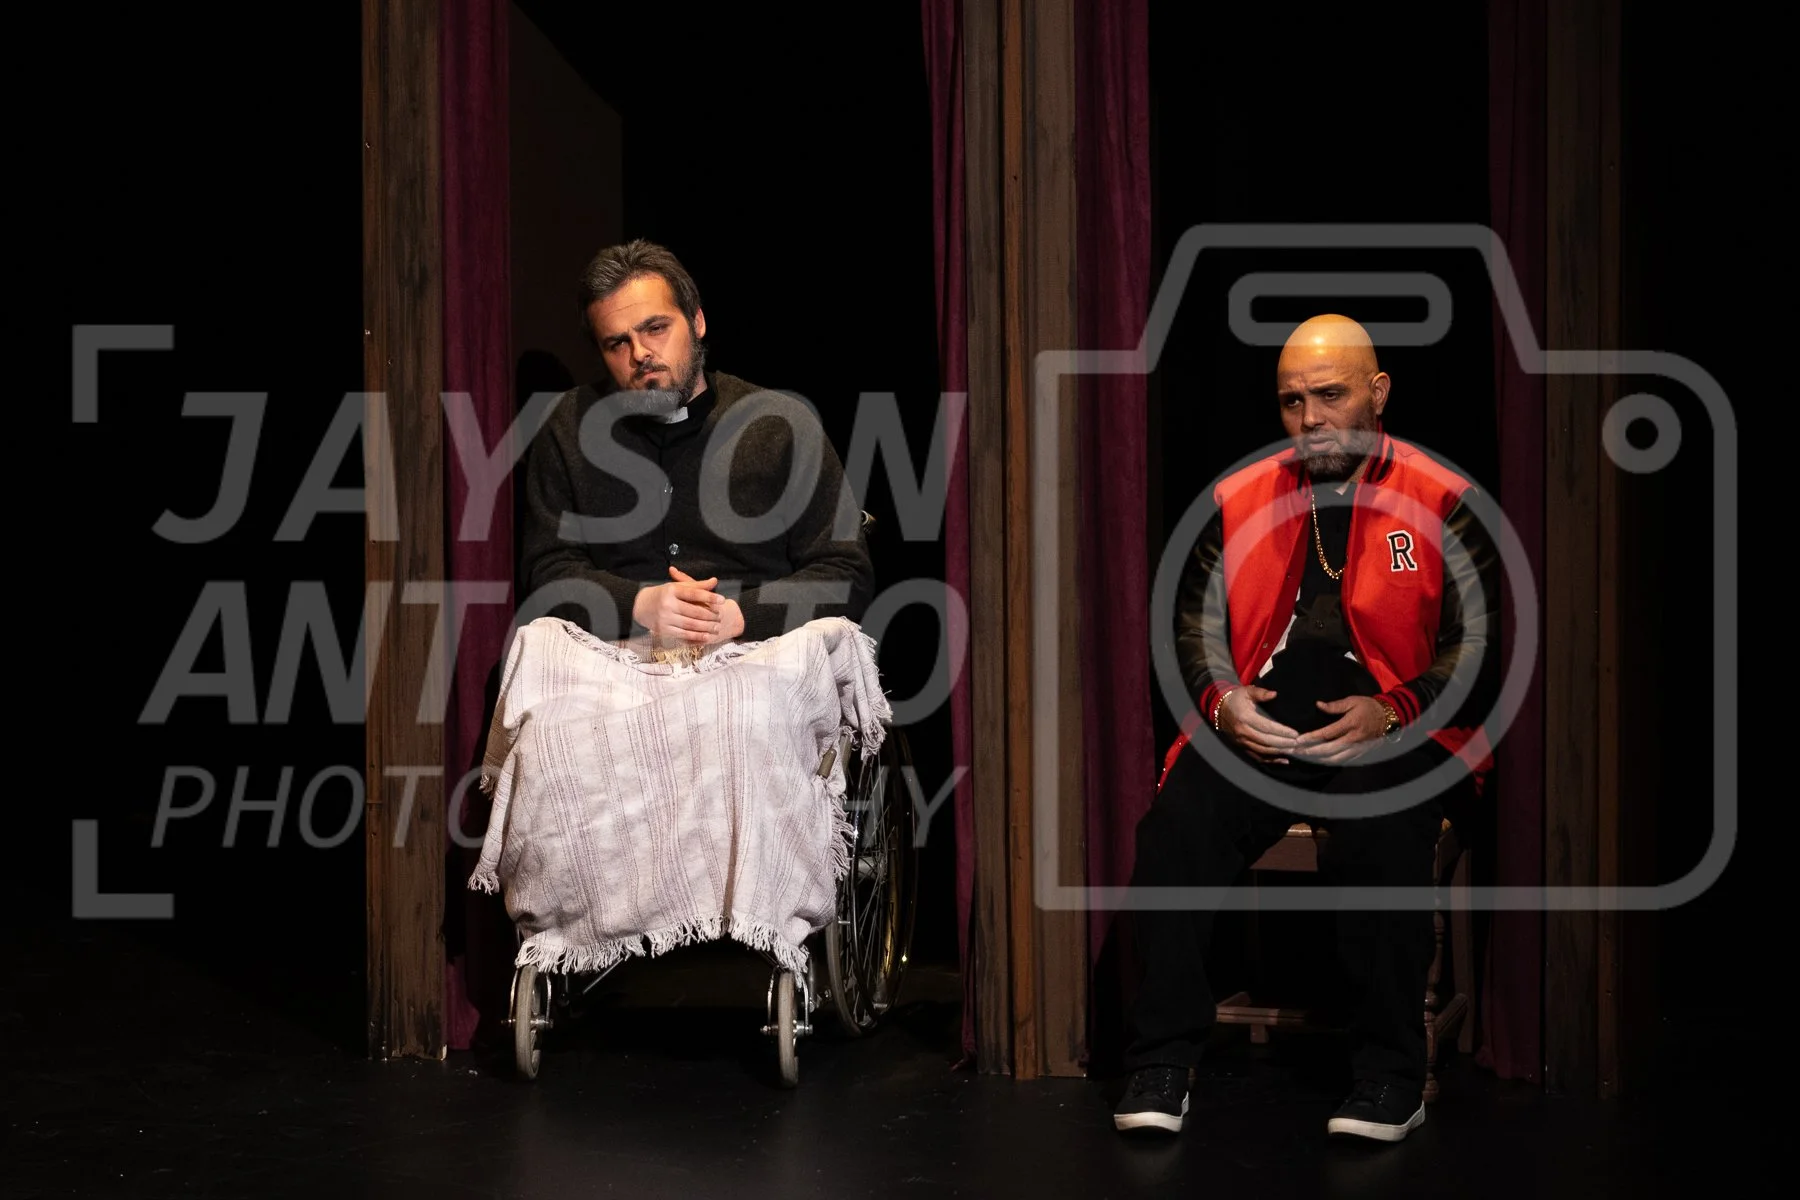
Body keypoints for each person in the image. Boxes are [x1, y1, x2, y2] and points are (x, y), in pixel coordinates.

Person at [1111, 314, 1499, 1143]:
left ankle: (1390, 1077)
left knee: (1381, 831)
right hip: (1271, 713)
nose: (1311, 418)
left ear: (1378, 393)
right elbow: (1192, 626)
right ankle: (1162, 1060)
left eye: (1330, 395)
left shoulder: (1442, 498)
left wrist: (1393, 711)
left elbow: (1478, 646)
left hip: (1395, 721)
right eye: (1292, 401)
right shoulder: (1240, 495)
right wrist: (1223, 704)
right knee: (1176, 828)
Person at [518, 239, 874, 652]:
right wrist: (639, 604)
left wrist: (737, 615)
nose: (640, 353)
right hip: (617, 653)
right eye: (617, 343)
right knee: (535, 643)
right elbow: (547, 569)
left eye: (656, 328)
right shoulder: (568, 426)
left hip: (758, 649)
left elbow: (845, 571)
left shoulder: (780, 425)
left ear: (697, 321)